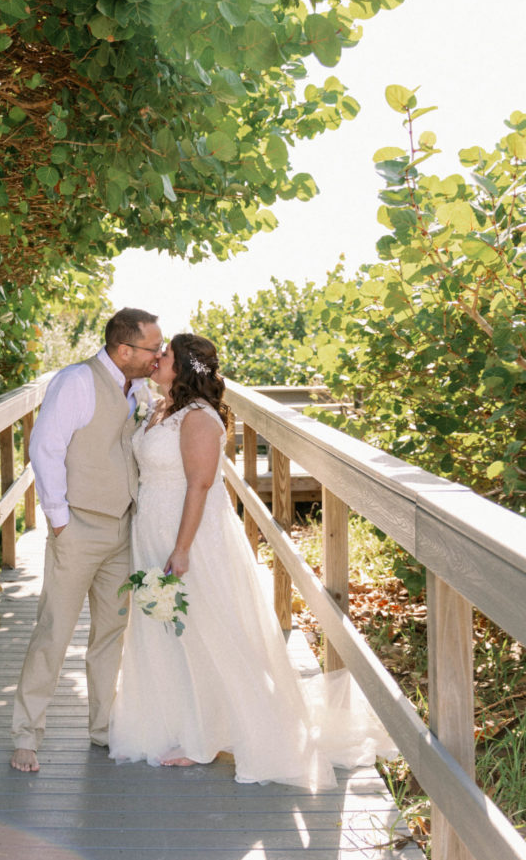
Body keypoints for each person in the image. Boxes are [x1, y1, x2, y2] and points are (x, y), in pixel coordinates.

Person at [109, 333, 395, 788]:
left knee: (205, 627)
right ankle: (175, 721)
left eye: (165, 355)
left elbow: (200, 486)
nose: (157, 358)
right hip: (152, 526)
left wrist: (181, 549)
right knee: (166, 628)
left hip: (190, 535)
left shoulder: (199, 418)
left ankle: (204, 737)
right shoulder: (160, 407)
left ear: (182, 368)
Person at [10, 308, 164, 772]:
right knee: (54, 631)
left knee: (111, 634)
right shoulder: (76, 381)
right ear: (124, 350)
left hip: (123, 527)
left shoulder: (139, 389)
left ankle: (102, 729)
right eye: (153, 349)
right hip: (77, 525)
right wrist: (58, 520)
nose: (159, 355)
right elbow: (45, 447)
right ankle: (26, 735)